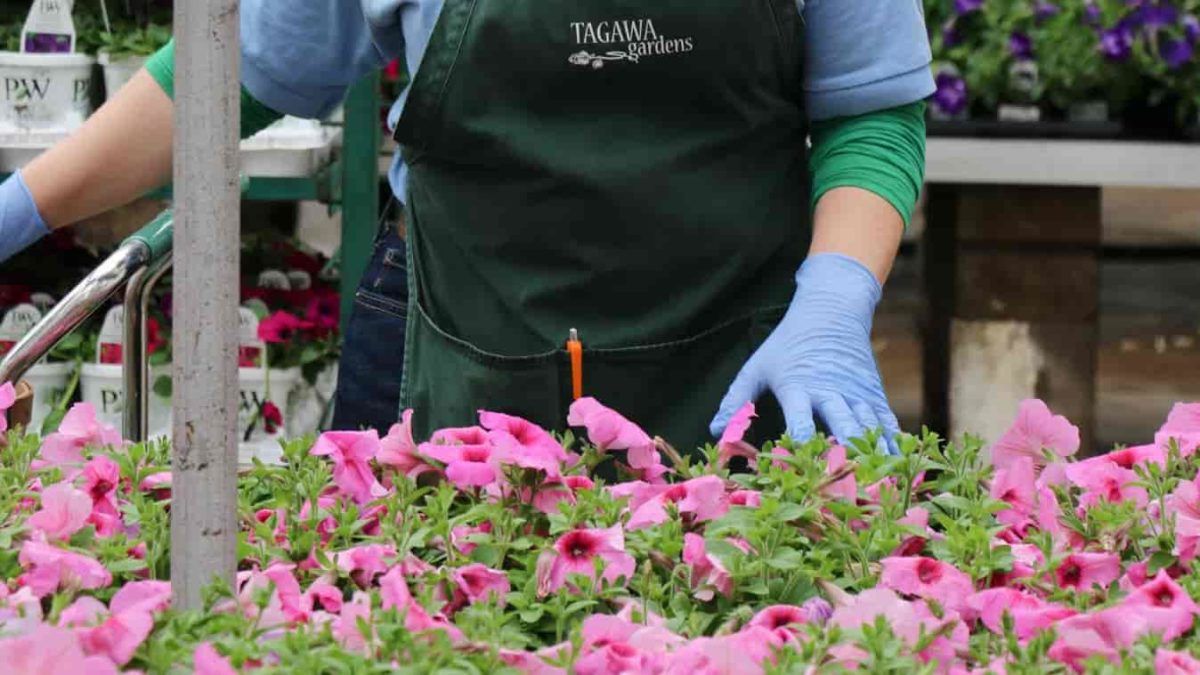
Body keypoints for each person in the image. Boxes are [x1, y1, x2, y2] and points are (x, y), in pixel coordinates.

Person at [0, 0, 933, 455]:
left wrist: (835, 303)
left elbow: (871, 113)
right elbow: (223, 72)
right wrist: (22, 208)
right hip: (457, 336)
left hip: (745, 354)